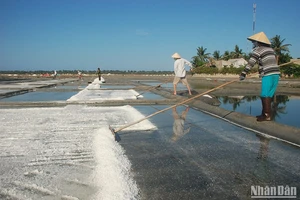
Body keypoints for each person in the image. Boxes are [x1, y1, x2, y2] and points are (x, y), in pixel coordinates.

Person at [239, 32, 280, 122]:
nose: (253, 43)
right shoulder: (271, 50)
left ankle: (266, 115)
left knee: (264, 94)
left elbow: (251, 62)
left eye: (254, 42)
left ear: (258, 42)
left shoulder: (258, 50)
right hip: (276, 74)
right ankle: (265, 114)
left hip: (268, 74)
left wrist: (243, 73)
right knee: (269, 95)